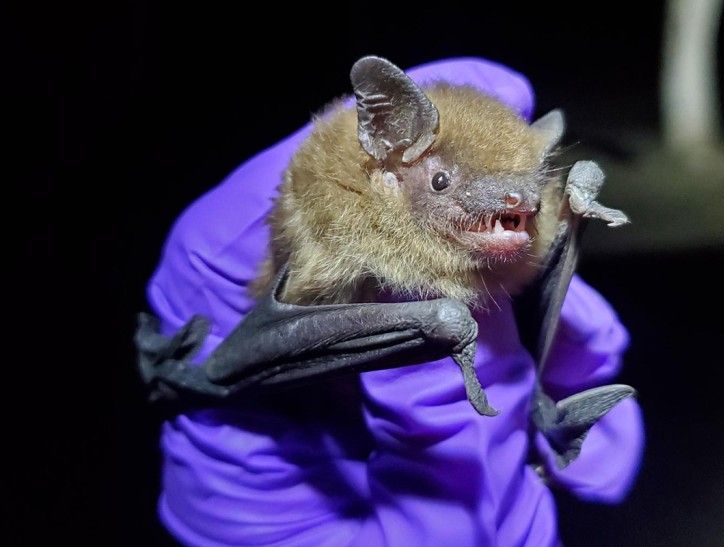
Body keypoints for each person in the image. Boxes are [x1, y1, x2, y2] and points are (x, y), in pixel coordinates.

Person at [145, 57, 644, 546]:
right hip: (303, 376)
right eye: (443, 182)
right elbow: (306, 287)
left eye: (523, 196)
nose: (515, 206)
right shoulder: (345, 220)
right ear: (390, 168)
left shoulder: (516, 230)